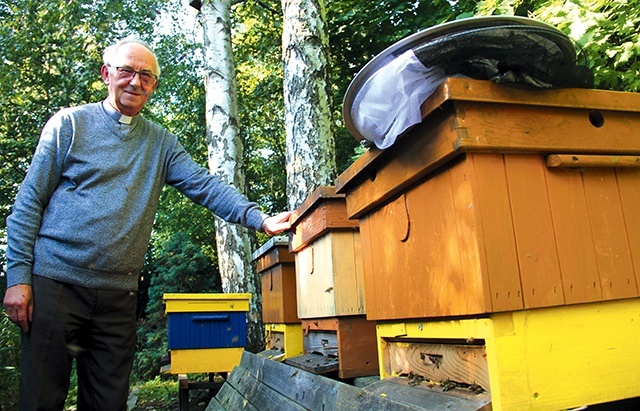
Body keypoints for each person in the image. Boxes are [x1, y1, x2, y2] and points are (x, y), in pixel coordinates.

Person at [2, 36, 292, 410]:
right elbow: (28, 203)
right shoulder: (70, 125)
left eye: (146, 76)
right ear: (107, 74)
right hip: (55, 285)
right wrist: (18, 278)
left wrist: (259, 218)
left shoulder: (160, 143)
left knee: (109, 402)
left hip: (117, 298)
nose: (135, 82)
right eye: (126, 71)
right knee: (40, 400)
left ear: (153, 85)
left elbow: (205, 186)